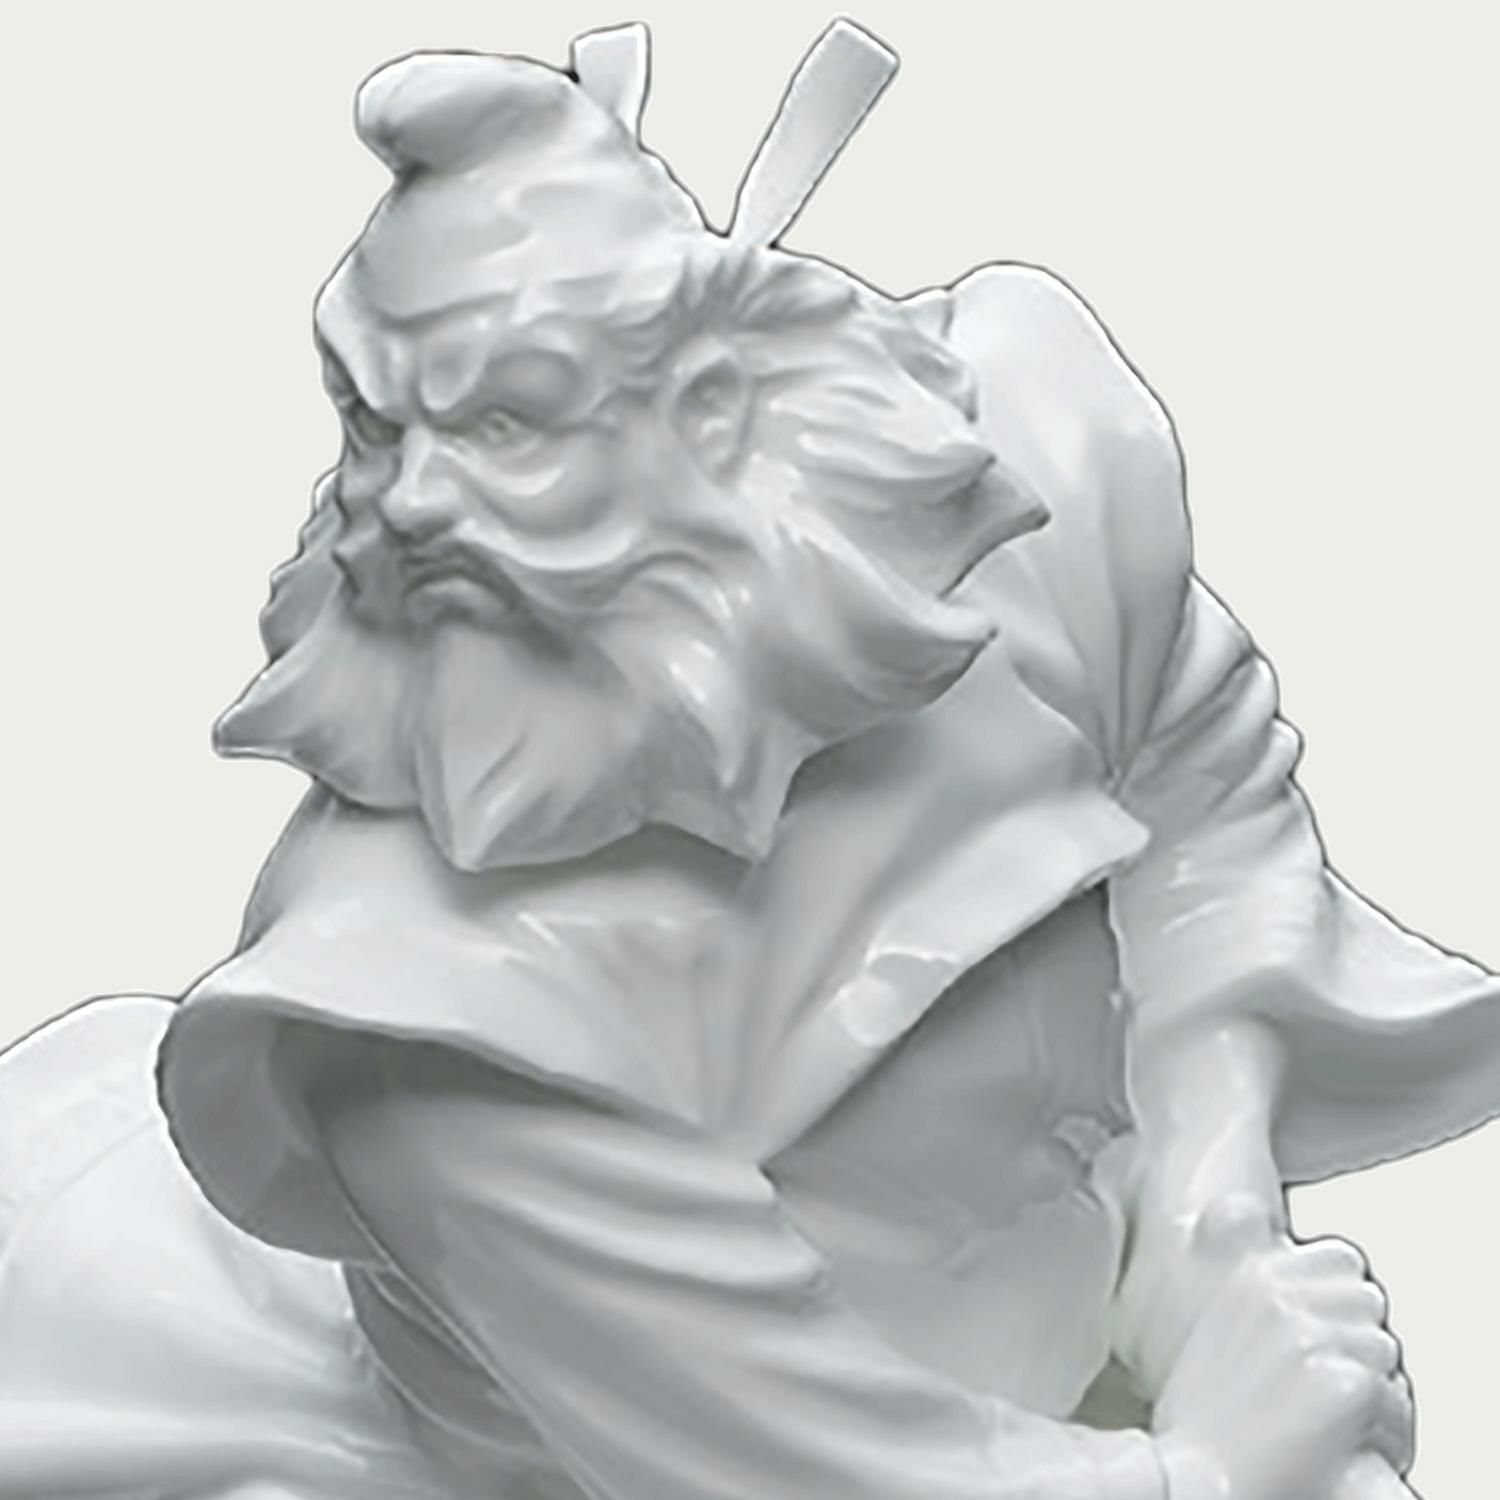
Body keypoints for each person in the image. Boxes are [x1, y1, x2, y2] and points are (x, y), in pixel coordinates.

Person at [4, 21, 1496, 1500]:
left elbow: (1203, 801)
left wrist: (1206, 1222)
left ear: (713, 410)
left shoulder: (1001, 515)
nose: (409, 503)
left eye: (505, 421)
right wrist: (1218, 1468)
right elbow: (818, 1477)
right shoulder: (423, 1026)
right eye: (372, 421)